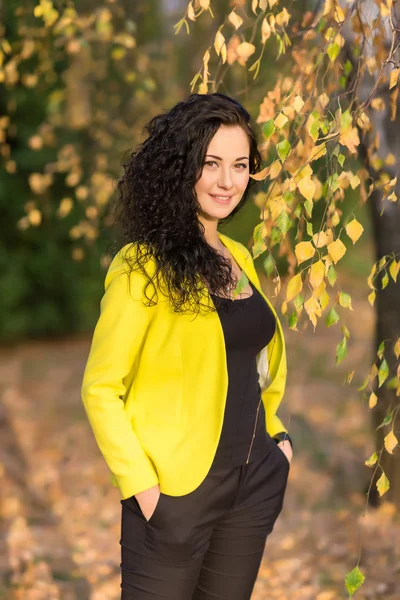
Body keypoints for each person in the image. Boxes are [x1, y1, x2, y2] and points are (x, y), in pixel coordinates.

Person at [81, 92, 293, 600]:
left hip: (253, 485)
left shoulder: (239, 255)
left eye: (239, 165)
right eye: (211, 163)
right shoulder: (142, 265)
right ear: (181, 168)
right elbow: (101, 388)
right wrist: (146, 491)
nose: (227, 181)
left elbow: (258, 360)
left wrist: (278, 441)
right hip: (176, 494)